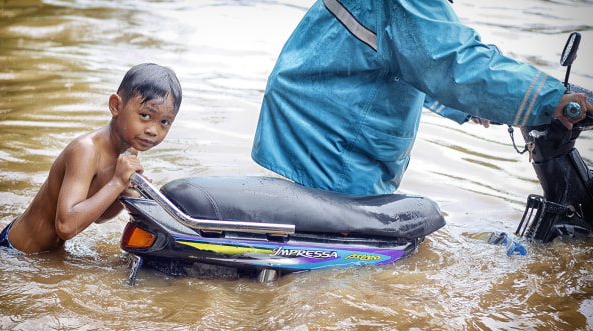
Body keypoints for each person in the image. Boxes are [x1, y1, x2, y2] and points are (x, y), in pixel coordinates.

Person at [251, 0, 592, 196]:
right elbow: (452, 63)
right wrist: (556, 100)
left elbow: (403, 59)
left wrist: (475, 105)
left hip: (314, 124)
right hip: (332, 147)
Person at [0, 63, 182, 254]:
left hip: (49, 252)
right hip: (15, 251)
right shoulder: (86, 151)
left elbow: (98, 217)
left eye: (164, 122)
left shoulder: (129, 151)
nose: (153, 130)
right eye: (144, 115)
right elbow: (66, 226)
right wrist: (117, 182)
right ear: (116, 106)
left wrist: (123, 193)